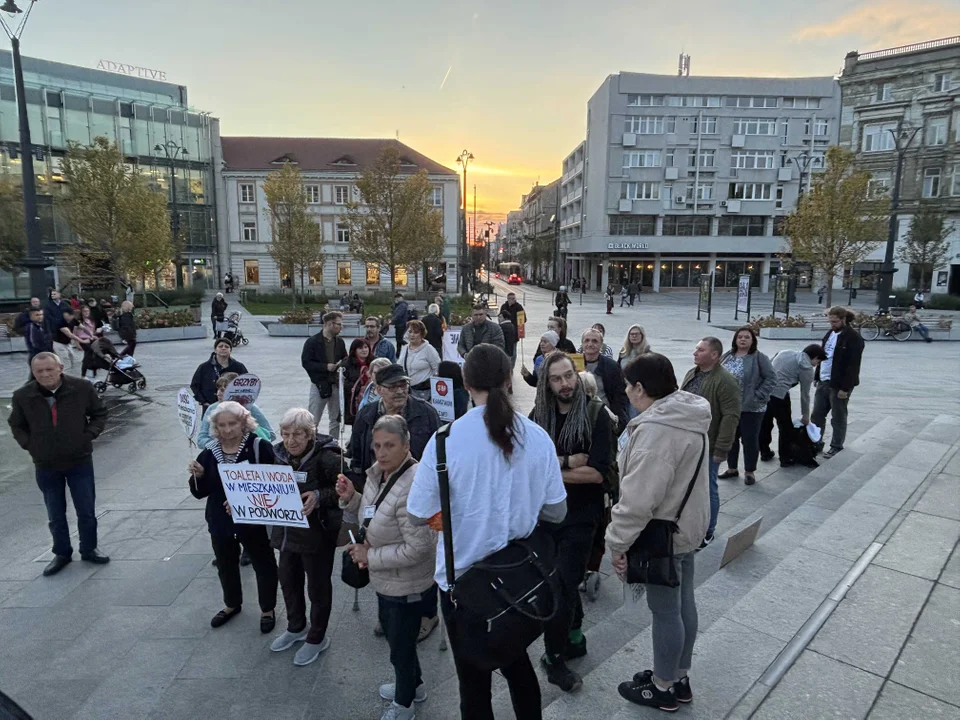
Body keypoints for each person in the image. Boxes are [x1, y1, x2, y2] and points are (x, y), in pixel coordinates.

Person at [407, 344, 567, 720]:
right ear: (510, 380)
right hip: (519, 575)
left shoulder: (445, 441)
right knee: (516, 661)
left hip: (464, 583)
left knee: (473, 683)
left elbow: (417, 515)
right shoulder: (538, 437)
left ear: (465, 382)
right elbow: (557, 512)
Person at [608, 353, 711, 712]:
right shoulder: (688, 414)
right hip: (686, 528)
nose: (625, 390)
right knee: (684, 604)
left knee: (666, 611)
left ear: (640, 388)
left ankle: (663, 686)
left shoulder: (657, 432)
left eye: (628, 384)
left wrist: (616, 544)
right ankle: (678, 675)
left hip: (662, 535)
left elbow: (638, 501)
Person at [337, 416, 436, 720]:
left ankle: (404, 704)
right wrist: (350, 498)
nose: (381, 452)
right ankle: (414, 686)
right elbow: (373, 511)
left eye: (389, 446)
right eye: (377, 446)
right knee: (399, 642)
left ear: (406, 445)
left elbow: (419, 547)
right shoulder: (378, 474)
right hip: (387, 580)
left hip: (406, 583)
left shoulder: (414, 485)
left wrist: (369, 555)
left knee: (400, 648)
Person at [530, 351, 612, 692]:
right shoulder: (537, 417)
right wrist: (565, 462)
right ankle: (575, 636)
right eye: (557, 378)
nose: (565, 384)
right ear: (546, 384)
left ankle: (555, 658)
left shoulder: (597, 415)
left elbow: (596, 473)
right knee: (557, 583)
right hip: (546, 516)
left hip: (582, 517)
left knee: (560, 586)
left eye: (569, 376)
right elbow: (529, 467)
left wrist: (551, 470)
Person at [348, 364, 441, 642]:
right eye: (393, 386)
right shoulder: (366, 414)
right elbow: (358, 456)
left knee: (421, 559)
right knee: (380, 552)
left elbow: (438, 458)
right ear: (377, 390)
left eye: (404, 384)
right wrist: (357, 493)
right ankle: (388, 612)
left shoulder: (426, 413)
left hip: (420, 496)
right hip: (379, 496)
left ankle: (428, 615)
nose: (401, 390)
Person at [8, 352, 110, 576]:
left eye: (49, 369)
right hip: (45, 464)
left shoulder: (81, 388)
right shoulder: (23, 395)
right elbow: (16, 424)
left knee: (86, 509)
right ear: (33, 372)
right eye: (39, 371)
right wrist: (30, 445)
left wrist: (87, 436)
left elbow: (99, 413)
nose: (44, 375)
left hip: (79, 460)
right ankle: (62, 552)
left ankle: (89, 548)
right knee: (55, 512)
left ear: (60, 368)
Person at [187, 401, 279, 631]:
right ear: (215, 428)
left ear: (243, 423)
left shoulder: (259, 447)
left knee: (263, 563)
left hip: (253, 520)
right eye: (222, 425)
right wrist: (198, 476)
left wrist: (243, 499)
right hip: (220, 521)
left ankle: (267, 608)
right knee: (226, 564)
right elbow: (201, 493)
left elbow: (275, 485)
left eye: (232, 423)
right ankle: (231, 604)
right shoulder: (209, 453)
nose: (227, 429)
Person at [269, 408, 341, 666]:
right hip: (286, 534)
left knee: (318, 587)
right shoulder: (277, 454)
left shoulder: (328, 457)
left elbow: (347, 487)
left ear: (310, 434)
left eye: (297, 434)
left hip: (317, 535)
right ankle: (296, 626)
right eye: (286, 434)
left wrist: (319, 496)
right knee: (288, 581)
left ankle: (317, 637)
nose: (291, 440)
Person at [681, 337, 741, 548]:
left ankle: (708, 530)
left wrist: (722, 448)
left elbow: (731, 416)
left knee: (708, 487)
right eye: (696, 349)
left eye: (700, 350)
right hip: (688, 441)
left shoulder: (725, 380)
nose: (695, 353)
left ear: (714, 355)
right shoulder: (692, 373)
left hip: (709, 442)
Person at [718, 327, 777, 486]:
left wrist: (758, 395)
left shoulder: (758, 357)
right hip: (729, 405)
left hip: (752, 407)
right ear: (735, 340)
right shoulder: (728, 356)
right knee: (730, 437)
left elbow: (771, 378)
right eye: (740, 337)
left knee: (750, 439)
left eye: (747, 337)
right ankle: (731, 468)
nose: (743, 340)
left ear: (753, 341)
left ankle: (749, 471)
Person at [812, 306, 864, 459]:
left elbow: (853, 365)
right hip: (824, 380)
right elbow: (823, 355)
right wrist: (817, 376)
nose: (832, 325)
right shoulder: (830, 333)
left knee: (838, 416)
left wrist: (845, 388)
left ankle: (836, 446)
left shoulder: (853, 338)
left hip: (839, 383)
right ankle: (816, 442)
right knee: (817, 415)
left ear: (844, 320)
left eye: (835, 322)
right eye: (830, 321)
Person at [761, 344, 826, 466]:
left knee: (765, 423)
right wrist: (806, 415)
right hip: (780, 395)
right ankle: (785, 458)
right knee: (785, 427)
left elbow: (768, 366)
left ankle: (764, 452)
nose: (816, 364)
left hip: (765, 391)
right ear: (815, 357)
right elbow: (805, 395)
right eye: (818, 361)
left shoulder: (785, 352)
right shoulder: (806, 368)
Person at [196, 372, 275, 449]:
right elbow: (201, 439)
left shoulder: (250, 408)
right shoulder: (212, 408)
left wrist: (249, 437)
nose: (218, 393)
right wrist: (218, 445)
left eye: (223, 390)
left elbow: (271, 435)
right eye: (218, 389)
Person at [301, 311, 347, 439]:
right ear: (330, 324)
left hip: (336, 385)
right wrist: (325, 367)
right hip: (319, 384)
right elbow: (306, 362)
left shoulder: (340, 342)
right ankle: (311, 445)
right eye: (339, 324)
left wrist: (342, 367)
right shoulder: (312, 342)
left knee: (335, 420)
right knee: (313, 420)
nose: (341, 327)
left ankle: (334, 445)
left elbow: (345, 358)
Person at [580, 327, 629, 430]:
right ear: (582, 344)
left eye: (595, 341)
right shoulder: (572, 363)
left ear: (601, 345)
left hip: (604, 415)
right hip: (578, 415)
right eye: (587, 340)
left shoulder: (611, 366)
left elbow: (620, 394)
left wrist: (620, 418)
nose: (590, 344)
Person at [191, 338, 249, 412]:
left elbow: (248, 385)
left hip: (234, 408)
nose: (223, 348)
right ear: (215, 350)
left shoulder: (239, 366)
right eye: (220, 346)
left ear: (230, 350)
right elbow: (194, 385)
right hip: (210, 407)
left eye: (226, 347)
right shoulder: (204, 367)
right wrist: (204, 401)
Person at [398, 319, 441, 402]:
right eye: (410, 332)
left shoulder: (429, 349)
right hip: (406, 391)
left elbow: (437, 369)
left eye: (415, 332)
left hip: (424, 392)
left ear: (422, 334)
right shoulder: (404, 348)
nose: (412, 335)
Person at [344, 338, 372, 426]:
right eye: (360, 348)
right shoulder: (347, 364)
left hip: (372, 398)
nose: (364, 350)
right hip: (354, 400)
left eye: (366, 347)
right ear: (354, 350)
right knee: (357, 425)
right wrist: (357, 388)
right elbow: (340, 381)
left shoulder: (375, 362)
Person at [74, 305, 103, 381]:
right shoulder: (79, 322)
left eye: (87, 311)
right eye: (84, 311)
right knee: (88, 353)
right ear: (81, 312)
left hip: (91, 339)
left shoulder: (91, 320)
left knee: (96, 353)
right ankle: (83, 374)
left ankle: (93, 371)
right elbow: (74, 333)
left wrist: (95, 335)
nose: (86, 312)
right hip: (83, 339)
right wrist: (77, 343)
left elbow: (92, 332)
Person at [51, 307, 81, 371]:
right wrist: (81, 340)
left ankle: (70, 373)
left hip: (67, 343)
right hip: (59, 343)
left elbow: (81, 327)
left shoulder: (73, 320)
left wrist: (91, 334)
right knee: (65, 361)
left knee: (73, 358)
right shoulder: (59, 321)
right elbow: (69, 334)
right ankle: (63, 374)